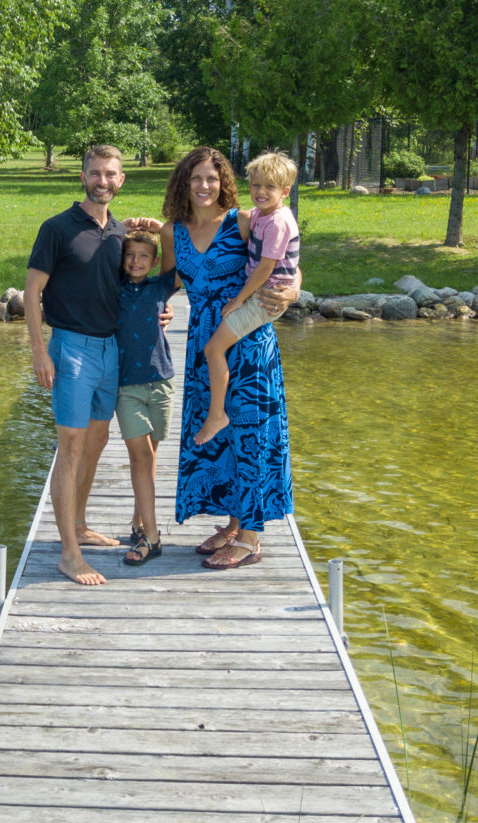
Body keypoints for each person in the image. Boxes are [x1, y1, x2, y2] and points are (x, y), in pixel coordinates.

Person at [24, 145, 172, 586]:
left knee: (96, 441)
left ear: (121, 179)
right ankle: (69, 554)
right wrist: (38, 350)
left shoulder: (121, 234)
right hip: (70, 350)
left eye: (110, 174)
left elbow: (137, 285)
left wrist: (159, 312)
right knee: (70, 447)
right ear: (83, 176)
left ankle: (81, 524)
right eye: (94, 173)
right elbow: (32, 293)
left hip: (111, 352)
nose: (102, 180)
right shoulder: (57, 229)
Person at [159, 146, 299, 569]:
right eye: (196, 178)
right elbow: (167, 281)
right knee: (219, 437)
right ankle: (235, 522)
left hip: (248, 338)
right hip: (205, 342)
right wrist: (155, 308)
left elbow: (283, 260)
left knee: (252, 433)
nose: (204, 186)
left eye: (212, 179)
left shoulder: (242, 222)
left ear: (224, 184)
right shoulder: (172, 232)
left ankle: (251, 537)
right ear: (184, 182)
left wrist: (293, 291)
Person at [195, 151, 300, 445]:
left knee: (214, 349)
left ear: (285, 191)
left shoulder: (278, 222)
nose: (261, 192)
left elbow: (266, 267)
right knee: (218, 349)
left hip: (265, 299)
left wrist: (239, 300)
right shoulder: (260, 216)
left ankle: (217, 415)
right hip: (262, 293)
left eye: (270, 187)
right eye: (256, 186)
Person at [115, 230, 180, 566]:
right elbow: (106, 249)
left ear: (153, 262)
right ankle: (152, 539)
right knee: (140, 456)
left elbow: (177, 255)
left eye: (144, 256)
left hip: (161, 382)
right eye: (130, 255)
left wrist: (159, 226)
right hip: (127, 387)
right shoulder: (113, 288)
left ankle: (139, 520)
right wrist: (124, 226)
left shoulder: (161, 287)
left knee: (152, 453)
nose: (136, 261)